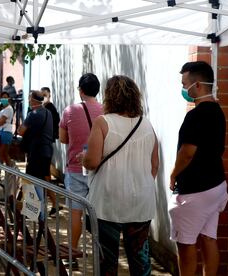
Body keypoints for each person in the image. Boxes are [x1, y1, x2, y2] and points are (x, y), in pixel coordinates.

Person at [82, 75, 159, 276]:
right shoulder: (147, 124)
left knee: (107, 261)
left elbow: (91, 162)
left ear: (110, 97)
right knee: (140, 259)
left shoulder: (103, 122)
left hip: (108, 200)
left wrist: (83, 157)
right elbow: (154, 166)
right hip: (141, 201)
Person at [168, 61, 228, 276]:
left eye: (185, 84)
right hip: (216, 187)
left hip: (195, 191)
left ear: (199, 85)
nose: (184, 89)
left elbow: (187, 153)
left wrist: (174, 174)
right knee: (208, 238)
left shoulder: (196, 115)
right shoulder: (218, 112)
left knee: (185, 244)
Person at [58, 74, 103, 250]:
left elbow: (62, 139)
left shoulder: (70, 111)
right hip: (99, 168)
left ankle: (73, 250)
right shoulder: (105, 111)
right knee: (99, 214)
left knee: (75, 213)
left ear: (81, 90)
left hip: (75, 168)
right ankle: (100, 252)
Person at [17, 90, 53, 203]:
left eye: (29, 98)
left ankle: (34, 211)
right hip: (47, 150)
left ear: (32, 100)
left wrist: (20, 128)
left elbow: (21, 131)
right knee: (45, 178)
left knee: (31, 181)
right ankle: (54, 204)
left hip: (36, 151)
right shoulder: (48, 113)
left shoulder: (33, 114)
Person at [40, 86, 62, 217]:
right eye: (41, 95)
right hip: (41, 146)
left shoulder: (50, 108)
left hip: (45, 145)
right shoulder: (40, 109)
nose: (43, 97)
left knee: (45, 176)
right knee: (43, 175)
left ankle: (54, 203)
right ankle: (51, 204)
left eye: (45, 95)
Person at [0, 92, 14, 166]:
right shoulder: (2, 110)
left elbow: (0, 123)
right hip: (0, 133)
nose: (4, 99)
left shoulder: (9, 109)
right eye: (2, 97)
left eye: (6, 97)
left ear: (8, 98)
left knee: (2, 154)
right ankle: (9, 172)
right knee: (3, 154)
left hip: (6, 133)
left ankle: (5, 172)